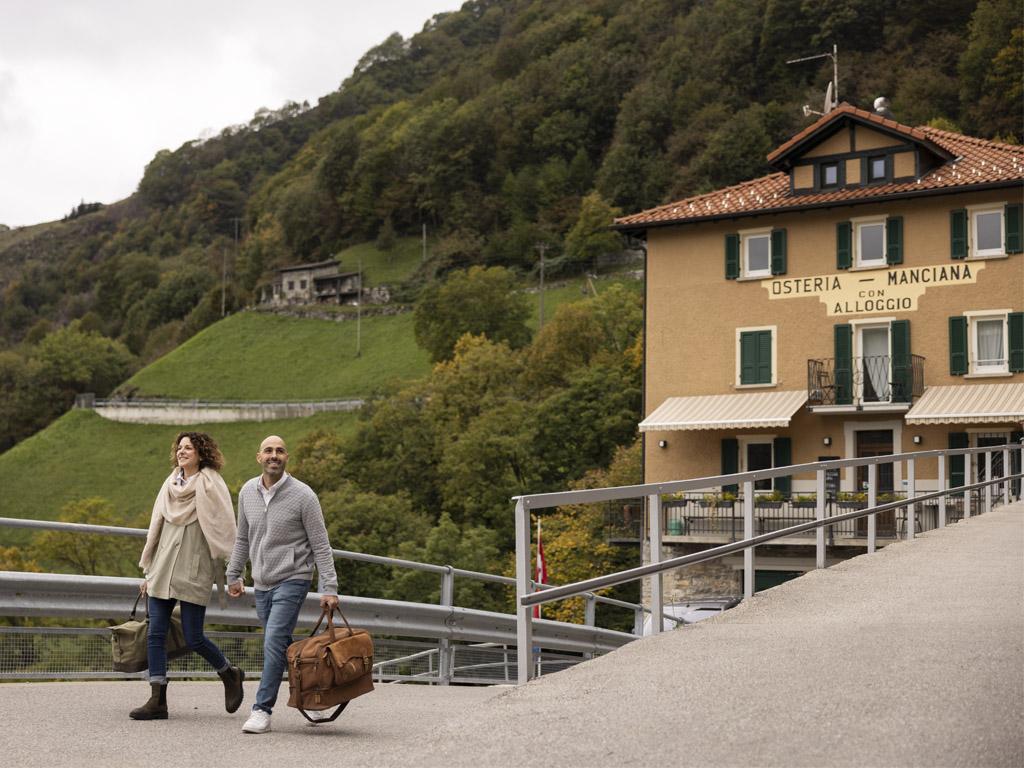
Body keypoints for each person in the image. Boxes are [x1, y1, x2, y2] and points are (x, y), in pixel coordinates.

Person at [227, 435, 339, 734]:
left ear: (286, 457)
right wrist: (234, 574)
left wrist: (329, 587)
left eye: (279, 451)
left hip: (293, 578)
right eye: (268, 451)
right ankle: (313, 699)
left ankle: (261, 709)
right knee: (282, 647)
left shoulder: (304, 495)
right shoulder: (247, 492)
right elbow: (242, 537)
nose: (273, 455)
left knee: (273, 640)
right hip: (261, 582)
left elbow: (321, 545)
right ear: (258, 457)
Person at [131, 431, 245, 720]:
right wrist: (149, 571)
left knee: (193, 637)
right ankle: (157, 700)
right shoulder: (170, 484)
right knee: (155, 634)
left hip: (194, 569)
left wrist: (235, 573)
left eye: (189, 448)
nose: (182, 452)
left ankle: (228, 673)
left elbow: (225, 529)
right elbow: (156, 529)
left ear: (201, 453)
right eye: (180, 448)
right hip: (162, 570)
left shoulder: (211, 483)